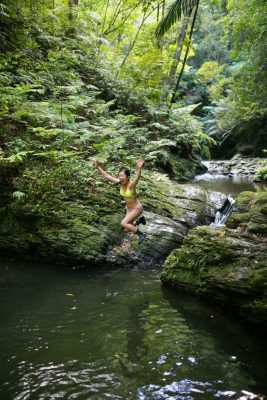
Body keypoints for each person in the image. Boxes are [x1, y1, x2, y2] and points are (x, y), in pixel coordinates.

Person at [92, 158, 146, 244]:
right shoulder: (119, 183)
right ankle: (139, 221)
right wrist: (97, 167)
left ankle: (141, 234)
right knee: (126, 229)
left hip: (136, 208)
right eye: (119, 176)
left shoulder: (131, 185)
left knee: (124, 223)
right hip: (129, 209)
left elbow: (137, 178)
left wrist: (139, 168)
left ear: (127, 177)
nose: (120, 178)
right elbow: (107, 176)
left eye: (122, 176)